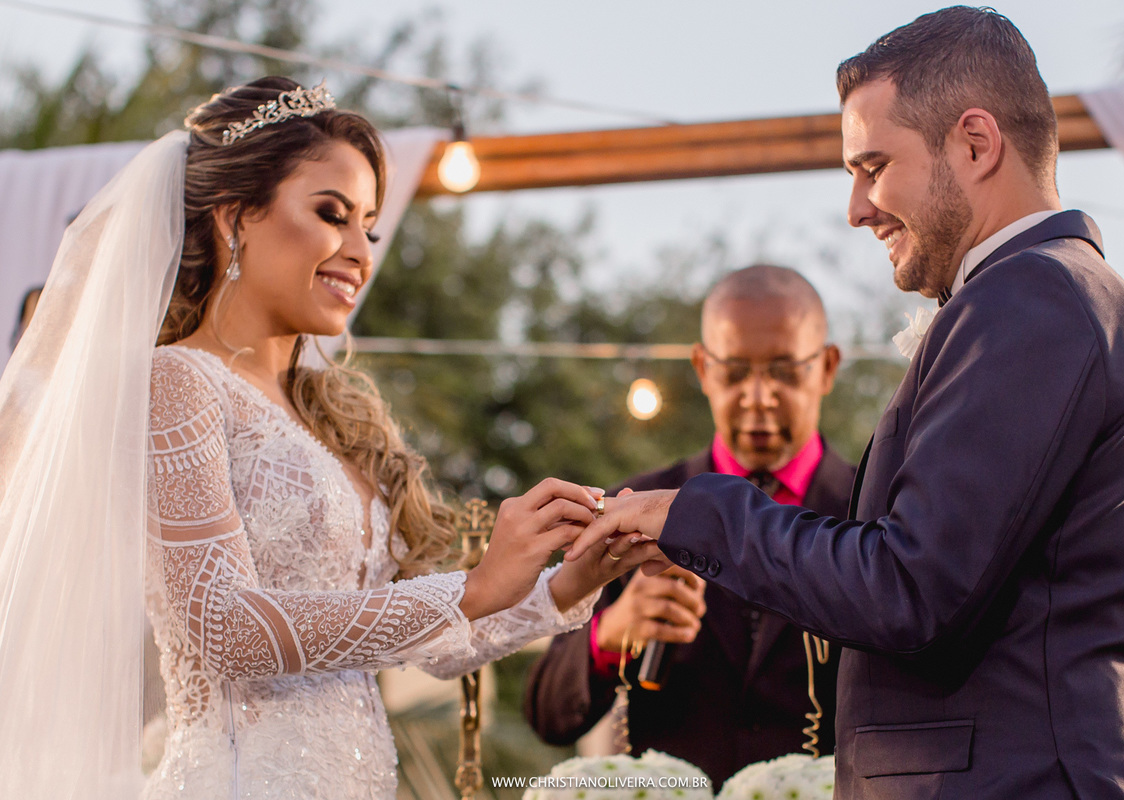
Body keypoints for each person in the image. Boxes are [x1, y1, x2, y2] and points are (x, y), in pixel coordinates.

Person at [568, 8, 1124, 799]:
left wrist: (692, 516)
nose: (856, 207)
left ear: (976, 143)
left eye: (872, 166)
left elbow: (913, 589)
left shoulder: (1031, 300)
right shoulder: (1078, 301)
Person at [0, 77, 654, 800]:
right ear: (235, 217)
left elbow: (427, 643)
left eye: (369, 227)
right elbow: (225, 628)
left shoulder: (331, 413)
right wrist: (470, 588)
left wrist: (567, 582)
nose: (358, 252)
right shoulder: (178, 382)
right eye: (331, 214)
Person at [523, 265, 852, 786]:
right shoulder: (634, 503)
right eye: (735, 371)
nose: (759, 396)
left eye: (786, 371)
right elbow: (546, 713)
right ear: (702, 367)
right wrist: (610, 637)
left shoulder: (866, 512)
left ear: (827, 367)